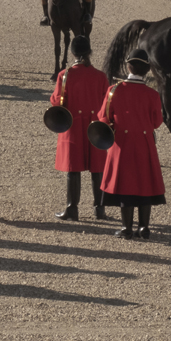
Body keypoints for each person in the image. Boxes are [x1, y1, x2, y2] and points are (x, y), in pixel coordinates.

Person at [98, 49, 165, 239]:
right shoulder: (152, 94)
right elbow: (157, 122)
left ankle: (127, 227)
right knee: (144, 182)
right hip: (144, 142)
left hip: (121, 142)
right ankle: (143, 226)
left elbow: (104, 118)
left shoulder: (113, 90)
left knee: (125, 184)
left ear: (128, 66)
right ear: (147, 69)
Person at [49, 35, 110, 221]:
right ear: (89, 51)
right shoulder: (100, 76)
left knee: (72, 169)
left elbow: (56, 101)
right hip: (95, 126)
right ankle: (100, 209)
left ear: (72, 52)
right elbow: (106, 103)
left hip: (73, 125)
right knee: (97, 168)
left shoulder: (64, 75)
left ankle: (72, 209)